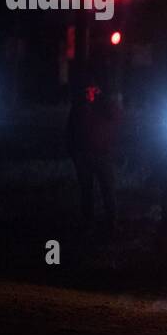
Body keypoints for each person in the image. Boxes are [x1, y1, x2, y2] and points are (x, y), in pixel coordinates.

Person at [66, 78, 122, 232]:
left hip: (102, 154)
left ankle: (112, 222)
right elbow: (71, 130)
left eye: (93, 89)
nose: (90, 93)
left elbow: (115, 119)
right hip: (83, 155)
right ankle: (88, 222)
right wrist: (73, 152)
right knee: (86, 191)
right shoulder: (79, 107)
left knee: (108, 189)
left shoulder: (105, 105)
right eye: (88, 90)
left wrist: (102, 100)